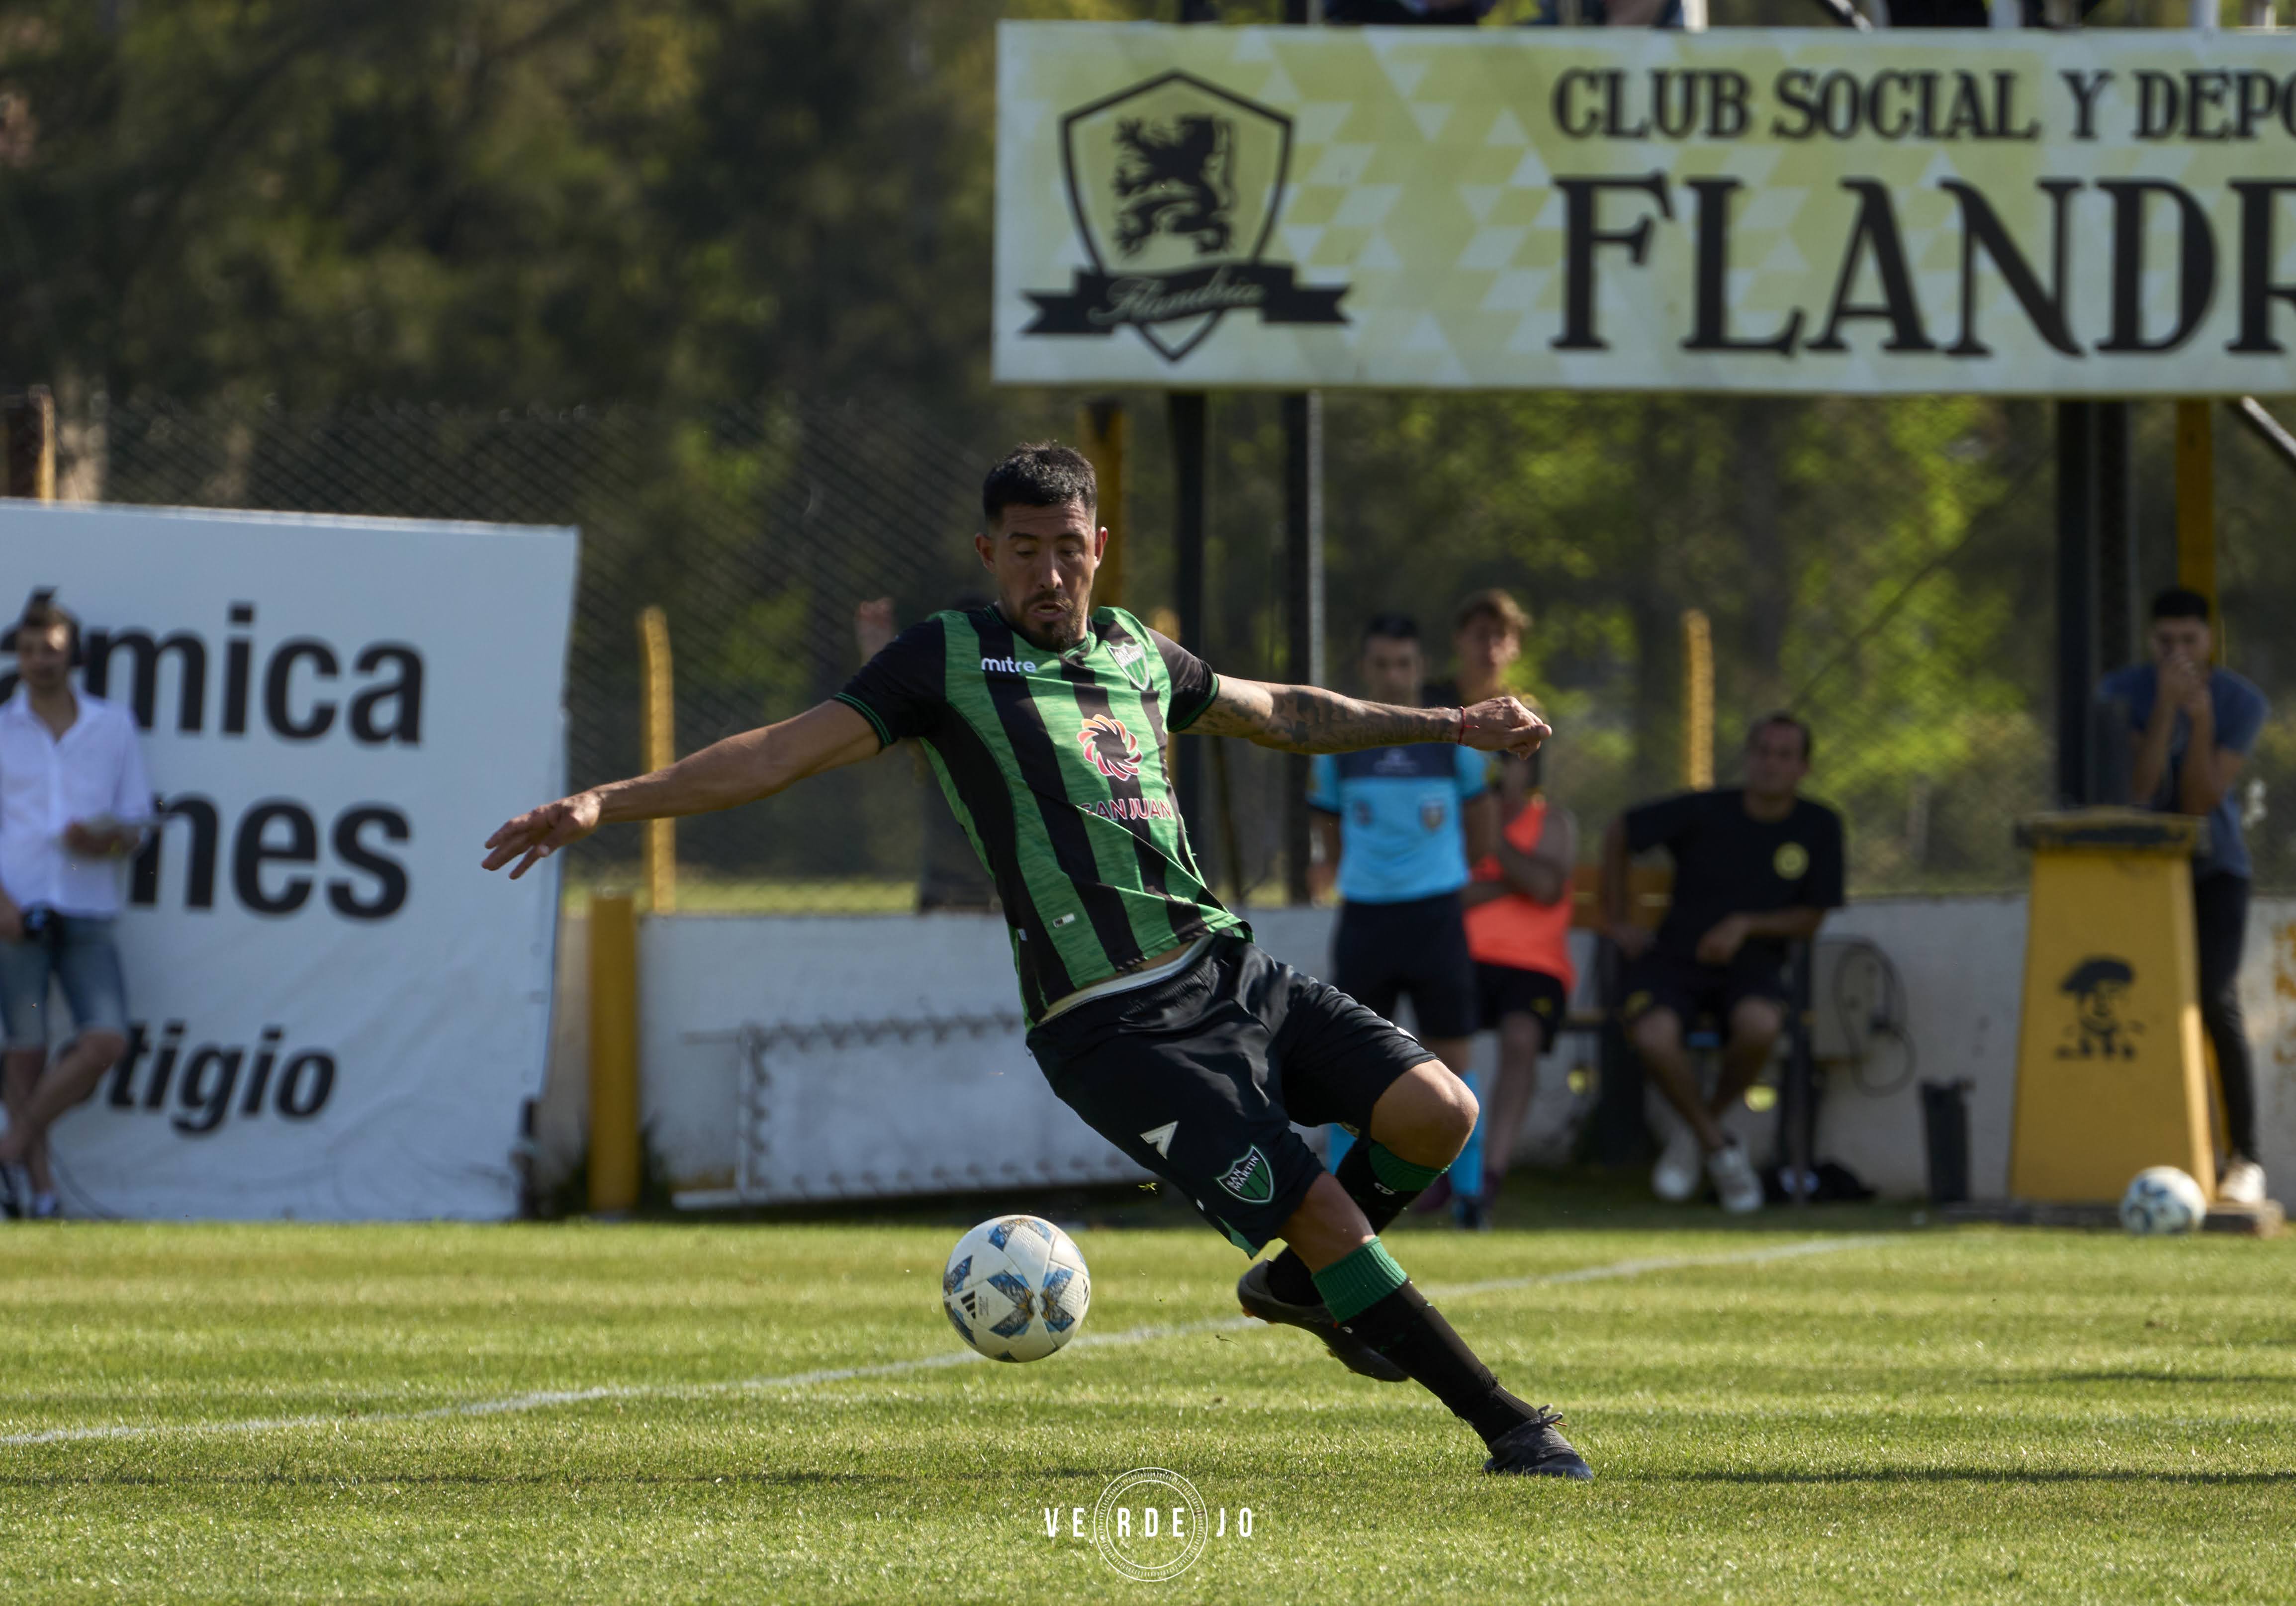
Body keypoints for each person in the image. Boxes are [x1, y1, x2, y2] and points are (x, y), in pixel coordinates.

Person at [484, 443, 1590, 1478]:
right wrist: (607, 800)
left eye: (1069, 548)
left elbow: (1289, 713)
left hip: (1228, 971)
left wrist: (1454, 721)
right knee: (1324, 1209)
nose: (1050, 573)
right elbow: (777, 755)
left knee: (1438, 1112)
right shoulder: (946, 657)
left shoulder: (1137, 655)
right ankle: (1509, 1427)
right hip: (1113, 1025)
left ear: (1099, 547)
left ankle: (1304, 1287)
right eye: (1025, 551)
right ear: (988, 555)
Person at [1600, 715, 1843, 1214]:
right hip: (1673, 963)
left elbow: (1812, 917)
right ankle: (1717, 1145)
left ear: (1803, 767)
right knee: (1652, 1036)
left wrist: (1744, 925)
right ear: (1748, 757)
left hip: (1753, 967)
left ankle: (1696, 1139)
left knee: (1760, 1027)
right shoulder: (1707, 809)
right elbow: (1621, 830)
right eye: (1762, 751)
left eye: (1784, 754)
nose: (1771, 763)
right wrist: (1617, 920)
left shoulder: (1820, 825)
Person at [1306, 614, 1495, 1227]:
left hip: (1437, 917)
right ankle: (1346, 1200)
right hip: (1365, 917)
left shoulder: (1452, 739)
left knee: (1453, 1056)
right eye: (1382, 664)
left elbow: (1482, 823)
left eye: (1404, 665)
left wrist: (1446, 882)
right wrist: (1344, 872)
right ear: (1365, 669)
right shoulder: (1340, 739)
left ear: (1419, 670)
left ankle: (1469, 1199)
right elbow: (1327, 821)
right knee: (1352, 1065)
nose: (1393, 675)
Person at [2098, 589, 2270, 1206]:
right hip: (2140, 871)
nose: (2178, 654)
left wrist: (2198, 720)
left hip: (2215, 870)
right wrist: (2165, 712)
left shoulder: (2241, 701)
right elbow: (2142, 791)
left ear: (2210, 640)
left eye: (2189, 641)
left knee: (2211, 998)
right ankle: (2153, 1141)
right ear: (2151, 642)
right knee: (2140, 1001)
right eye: (2166, 642)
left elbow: (2200, 801)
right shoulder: (2122, 691)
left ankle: (2244, 1156)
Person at [0, 593, 154, 1219]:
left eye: (53, 651)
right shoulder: (3, 726)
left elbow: (136, 825)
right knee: (27, 1049)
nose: (41, 662)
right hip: (18, 912)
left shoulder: (111, 726)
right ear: (18, 653)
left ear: (74, 655)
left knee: (105, 1042)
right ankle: (41, 1194)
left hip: (86, 905)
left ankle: (11, 1143)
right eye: (31, 650)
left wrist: (105, 839)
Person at [1426, 590, 1578, 1219]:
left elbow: (1547, 885)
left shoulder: (1553, 822)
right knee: (1433, 1045)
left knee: (1520, 1036)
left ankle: (1489, 1175)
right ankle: (1436, 1168)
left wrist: (1496, 863)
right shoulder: (1460, 806)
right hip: (1461, 954)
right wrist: (1507, 875)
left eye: (1512, 755)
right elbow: (1452, 886)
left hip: (1532, 970)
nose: (1500, 766)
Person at [855, 596, 1000, 914]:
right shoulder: (935, 707)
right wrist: (881, 661)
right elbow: (886, 725)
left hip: (1014, 882)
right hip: (946, 884)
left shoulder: (1026, 706)